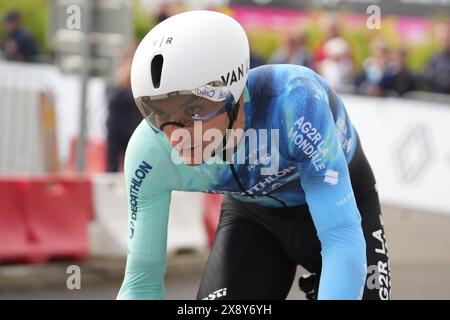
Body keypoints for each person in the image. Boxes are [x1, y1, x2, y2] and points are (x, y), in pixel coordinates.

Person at [117, 10, 391, 300]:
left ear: (230, 89)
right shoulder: (149, 151)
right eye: (156, 113)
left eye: (192, 111)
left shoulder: (295, 103)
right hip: (254, 218)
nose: (175, 135)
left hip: (343, 208)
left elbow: (341, 240)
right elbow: (141, 281)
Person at [105, 44, 142, 172]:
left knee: (133, 166)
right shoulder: (114, 84)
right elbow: (112, 100)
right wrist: (121, 84)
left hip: (133, 132)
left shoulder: (138, 85)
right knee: (112, 166)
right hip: (116, 131)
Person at [423, 23, 450, 94]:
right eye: (443, 39)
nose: (445, 42)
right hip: (436, 96)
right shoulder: (434, 58)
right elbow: (427, 74)